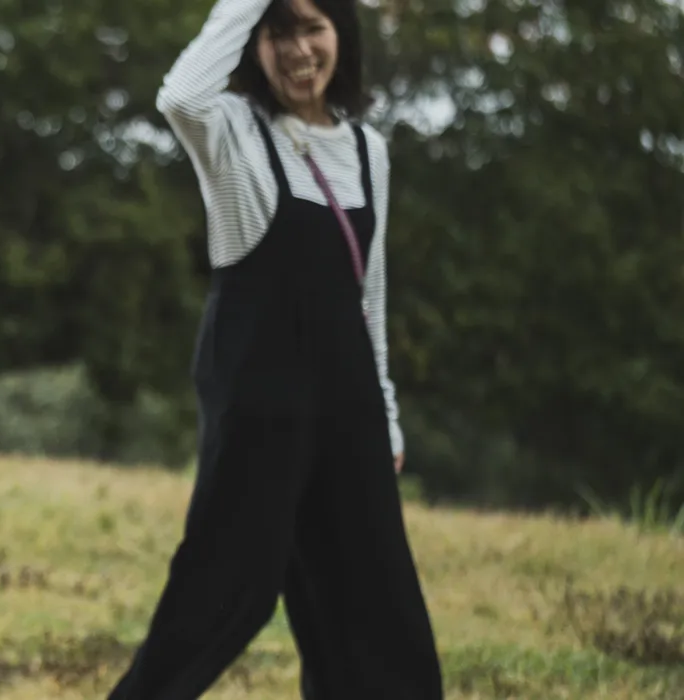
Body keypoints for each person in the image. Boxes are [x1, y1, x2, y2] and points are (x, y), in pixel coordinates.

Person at [108, 0, 444, 697]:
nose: (297, 50)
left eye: (313, 28)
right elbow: (180, 95)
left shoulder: (368, 150)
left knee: (374, 604)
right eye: (277, 32)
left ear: (341, 34)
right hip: (259, 403)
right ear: (253, 41)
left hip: (350, 404)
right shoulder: (232, 131)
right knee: (223, 593)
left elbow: (370, 291)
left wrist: (385, 412)